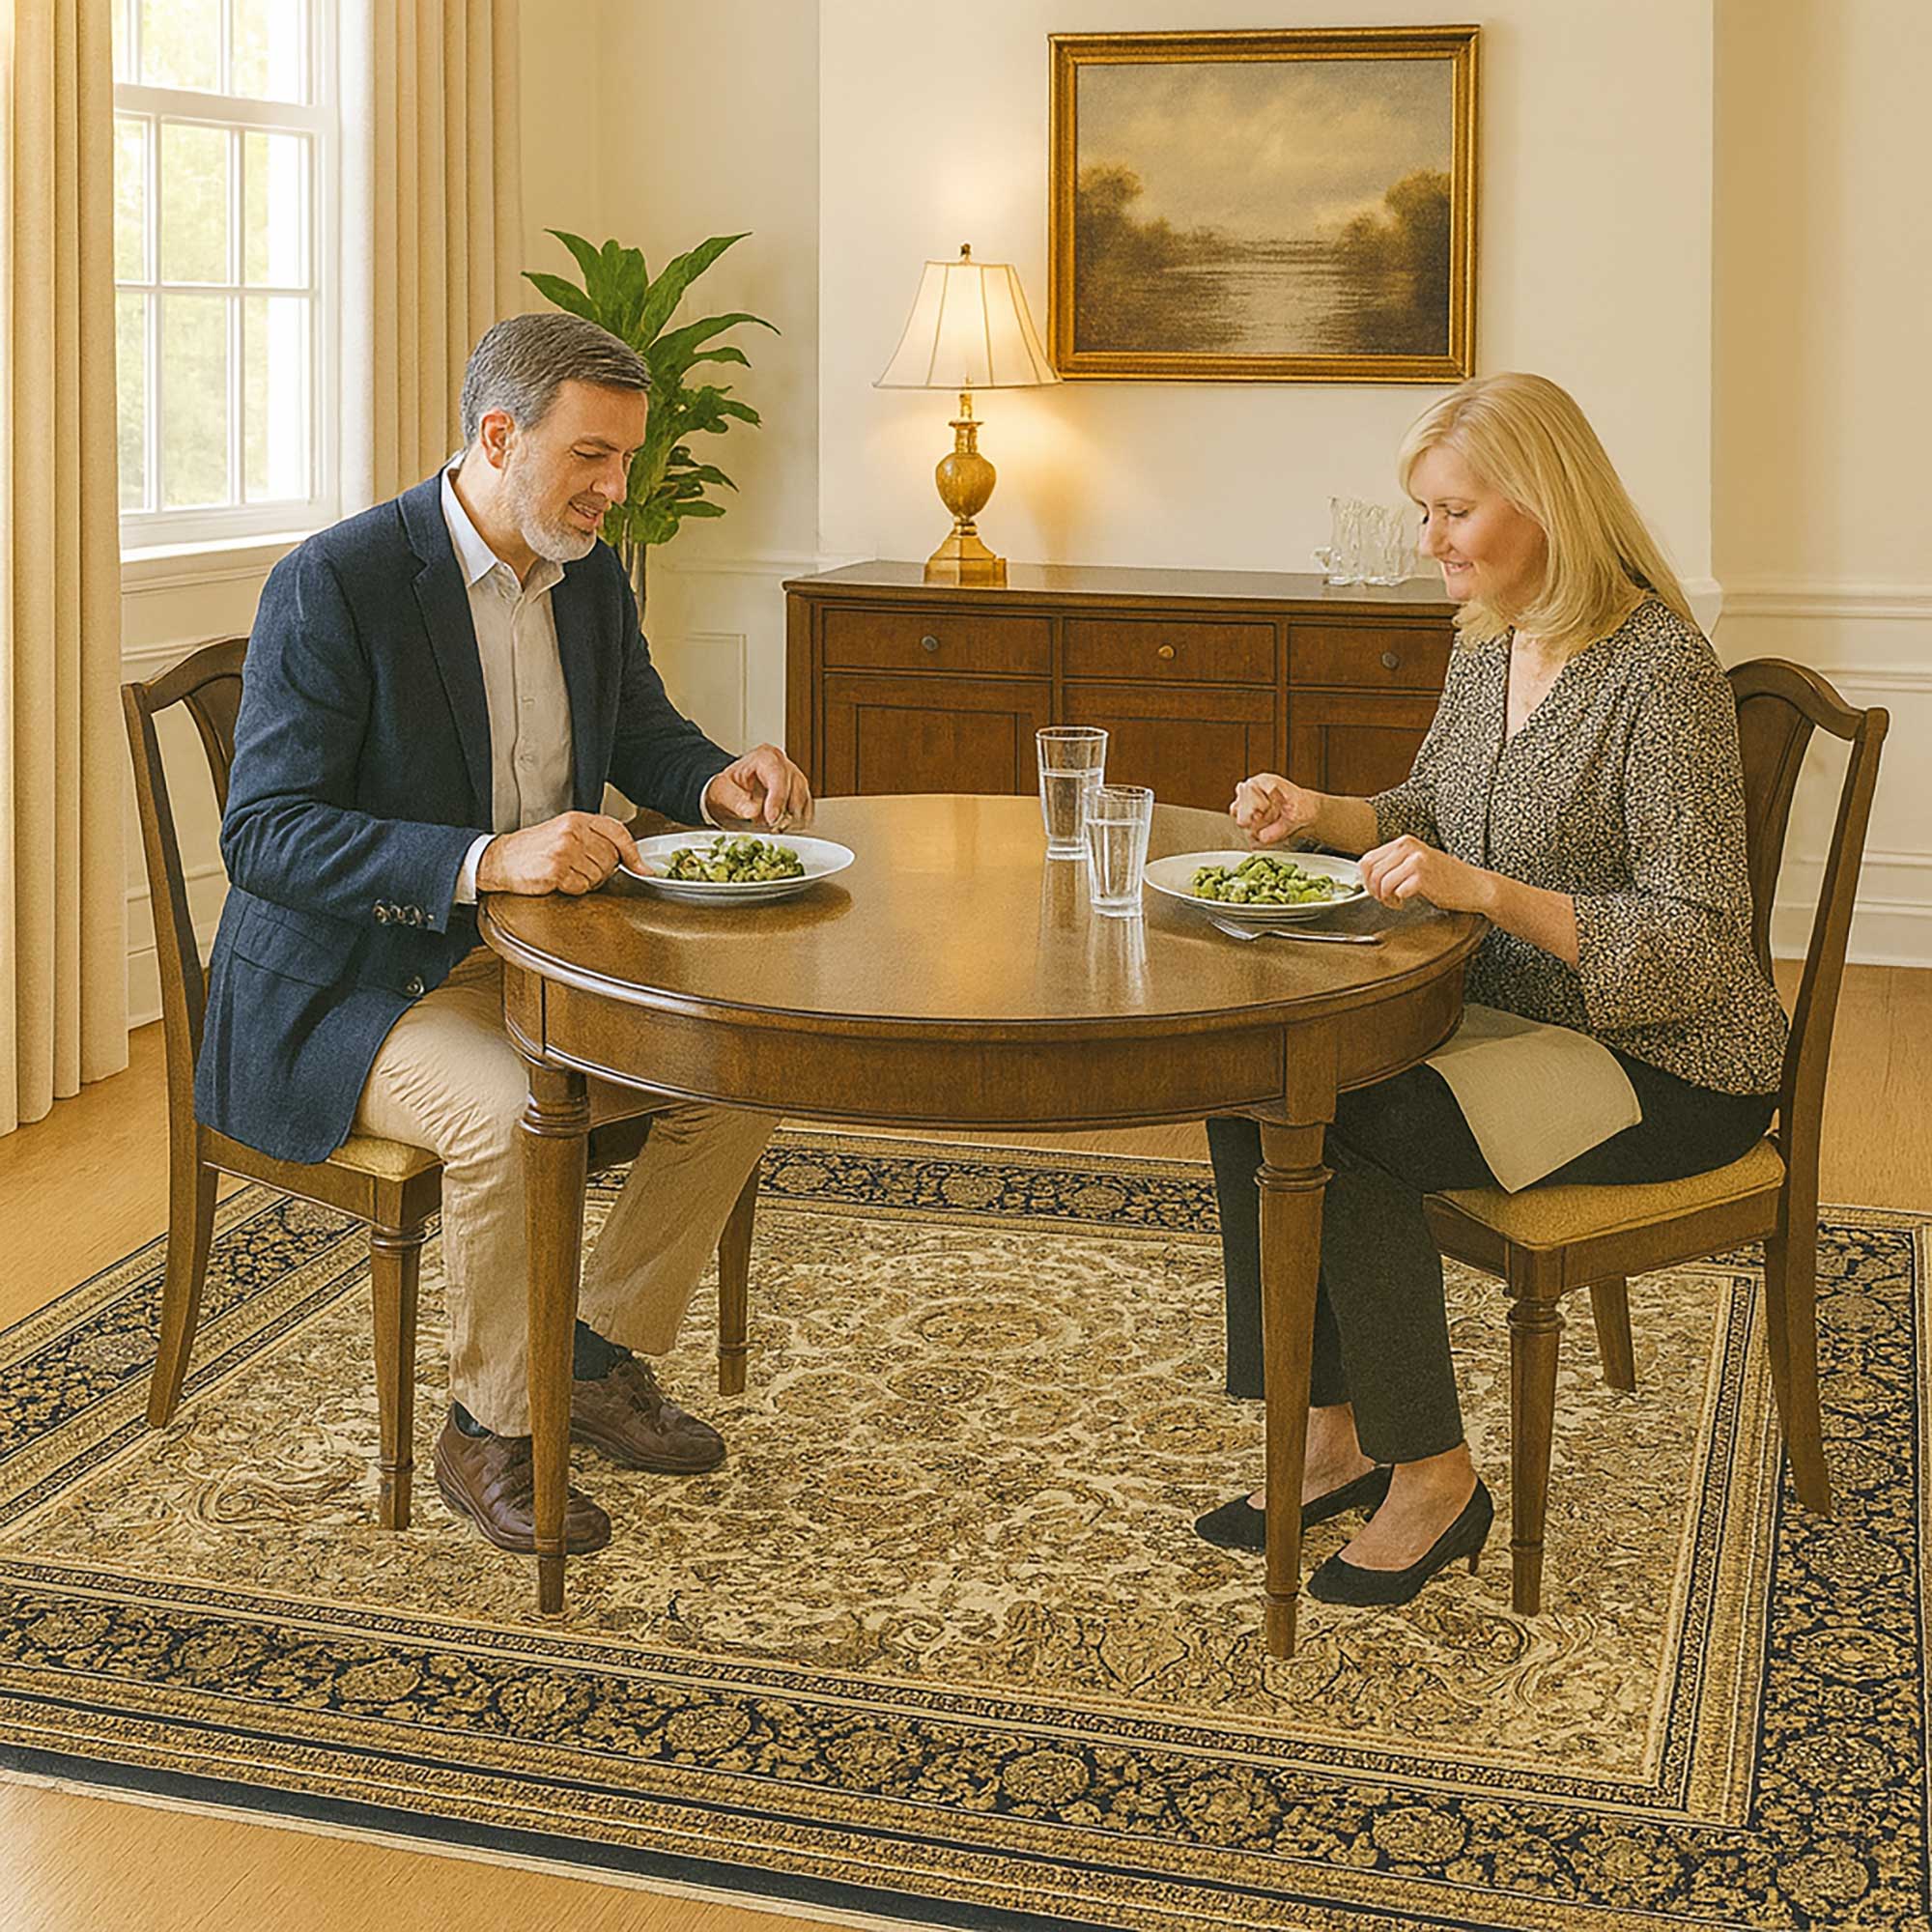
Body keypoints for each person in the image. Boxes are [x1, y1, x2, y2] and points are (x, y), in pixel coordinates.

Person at [196, 312, 812, 1559]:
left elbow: (639, 729)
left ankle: (589, 1357)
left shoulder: (586, 574)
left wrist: (714, 780)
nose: (615, 489)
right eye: (591, 455)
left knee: (742, 1066)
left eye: (625, 459)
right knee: (515, 1115)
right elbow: (265, 834)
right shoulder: (339, 581)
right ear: (497, 435)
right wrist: (485, 859)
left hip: (544, 954)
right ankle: (488, 1428)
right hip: (353, 987)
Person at [1197, 371, 1787, 1606]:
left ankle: (1433, 1474)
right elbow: (1430, 808)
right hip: (1522, 1026)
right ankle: (1328, 1431)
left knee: (1348, 1118)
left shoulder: (1659, 673)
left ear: (1544, 502)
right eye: (1425, 511)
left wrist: (1486, 892)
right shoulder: (1491, 638)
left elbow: (1695, 941)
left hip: (1669, 1064)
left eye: (1452, 511)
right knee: (1253, 1076)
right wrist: (1317, 813)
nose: (1429, 541)